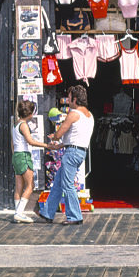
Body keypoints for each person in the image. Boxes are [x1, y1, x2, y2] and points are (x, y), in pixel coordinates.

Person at [39, 85, 93, 226]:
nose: (67, 100)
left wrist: (54, 137)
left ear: (75, 99)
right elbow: (75, 138)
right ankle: (47, 212)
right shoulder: (89, 115)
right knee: (58, 182)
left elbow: (61, 132)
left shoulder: (74, 114)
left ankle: (75, 215)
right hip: (80, 151)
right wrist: (59, 145)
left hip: (72, 153)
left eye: (69, 98)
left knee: (67, 184)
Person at [12, 100, 50, 223]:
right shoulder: (24, 125)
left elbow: (12, 143)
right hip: (23, 155)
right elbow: (30, 141)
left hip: (17, 155)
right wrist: (46, 145)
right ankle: (19, 213)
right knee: (30, 185)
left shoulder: (16, 124)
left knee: (19, 187)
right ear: (29, 113)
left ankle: (17, 212)